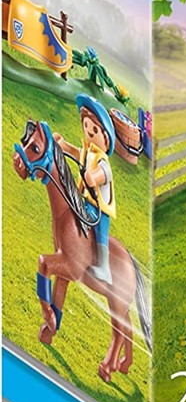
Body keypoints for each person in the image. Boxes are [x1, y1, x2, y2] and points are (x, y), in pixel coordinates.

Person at [55, 95, 117, 283]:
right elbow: (75, 152)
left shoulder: (103, 162)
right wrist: (63, 145)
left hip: (99, 209)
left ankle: (104, 268)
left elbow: (102, 175)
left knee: (100, 232)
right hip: (85, 201)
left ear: (106, 139)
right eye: (87, 127)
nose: (89, 132)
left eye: (95, 130)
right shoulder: (88, 153)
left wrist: (93, 177)